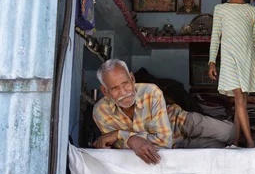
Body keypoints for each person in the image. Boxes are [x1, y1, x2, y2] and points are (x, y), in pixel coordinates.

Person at [92, 59, 236, 164]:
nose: (124, 92)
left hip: (179, 123)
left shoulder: (150, 91)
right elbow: (120, 147)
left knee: (229, 132)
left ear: (132, 78)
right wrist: (131, 140)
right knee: (221, 150)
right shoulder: (101, 112)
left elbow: (162, 141)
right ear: (105, 91)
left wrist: (122, 136)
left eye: (125, 84)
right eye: (115, 88)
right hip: (173, 148)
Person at [208, 0, 255, 148]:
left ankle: (235, 139)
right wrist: (211, 61)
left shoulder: (253, 11)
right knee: (239, 98)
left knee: (243, 101)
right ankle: (249, 142)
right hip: (229, 59)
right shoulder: (221, 10)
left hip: (247, 59)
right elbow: (215, 36)